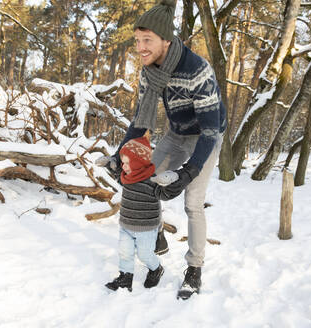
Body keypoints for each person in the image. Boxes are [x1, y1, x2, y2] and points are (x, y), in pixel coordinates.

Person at [98, 0, 227, 300]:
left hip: (205, 138)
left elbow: (209, 130)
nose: (140, 47)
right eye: (137, 40)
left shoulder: (198, 70)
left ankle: (194, 269)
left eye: (147, 40)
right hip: (177, 133)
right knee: (144, 179)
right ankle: (157, 235)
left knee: (193, 203)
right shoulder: (149, 73)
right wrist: (120, 156)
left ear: (165, 40)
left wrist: (189, 171)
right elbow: (140, 122)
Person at [104, 133, 178, 292]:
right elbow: (117, 172)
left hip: (146, 228)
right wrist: (108, 164)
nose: (123, 166)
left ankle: (156, 269)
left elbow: (164, 195)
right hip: (126, 225)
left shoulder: (152, 181)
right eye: (122, 163)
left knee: (144, 255)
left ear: (138, 163)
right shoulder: (126, 176)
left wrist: (171, 181)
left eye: (126, 163)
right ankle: (125, 277)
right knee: (125, 252)